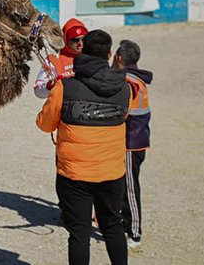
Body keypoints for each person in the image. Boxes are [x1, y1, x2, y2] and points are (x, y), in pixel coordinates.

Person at [36, 30, 133, 265]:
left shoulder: (65, 87)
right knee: (112, 226)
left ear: (82, 51)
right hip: (111, 172)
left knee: (79, 232)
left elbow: (45, 124)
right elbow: (123, 116)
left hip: (74, 174)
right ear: (109, 54)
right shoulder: (125, 88)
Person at [113, 40, 152, 249]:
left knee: (129, 188)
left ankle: (134, 231)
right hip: (134, 140)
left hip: (130, 143)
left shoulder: (129, 82)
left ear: (119, 58)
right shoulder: (136, 78)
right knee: (120, 186)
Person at [34, 18, 88, 98]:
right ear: (66, 40)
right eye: (75, 40)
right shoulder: (53, 60)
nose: (80, 43)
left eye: (83, 39)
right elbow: (38, 90)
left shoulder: (93, 56)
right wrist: (50, 85)